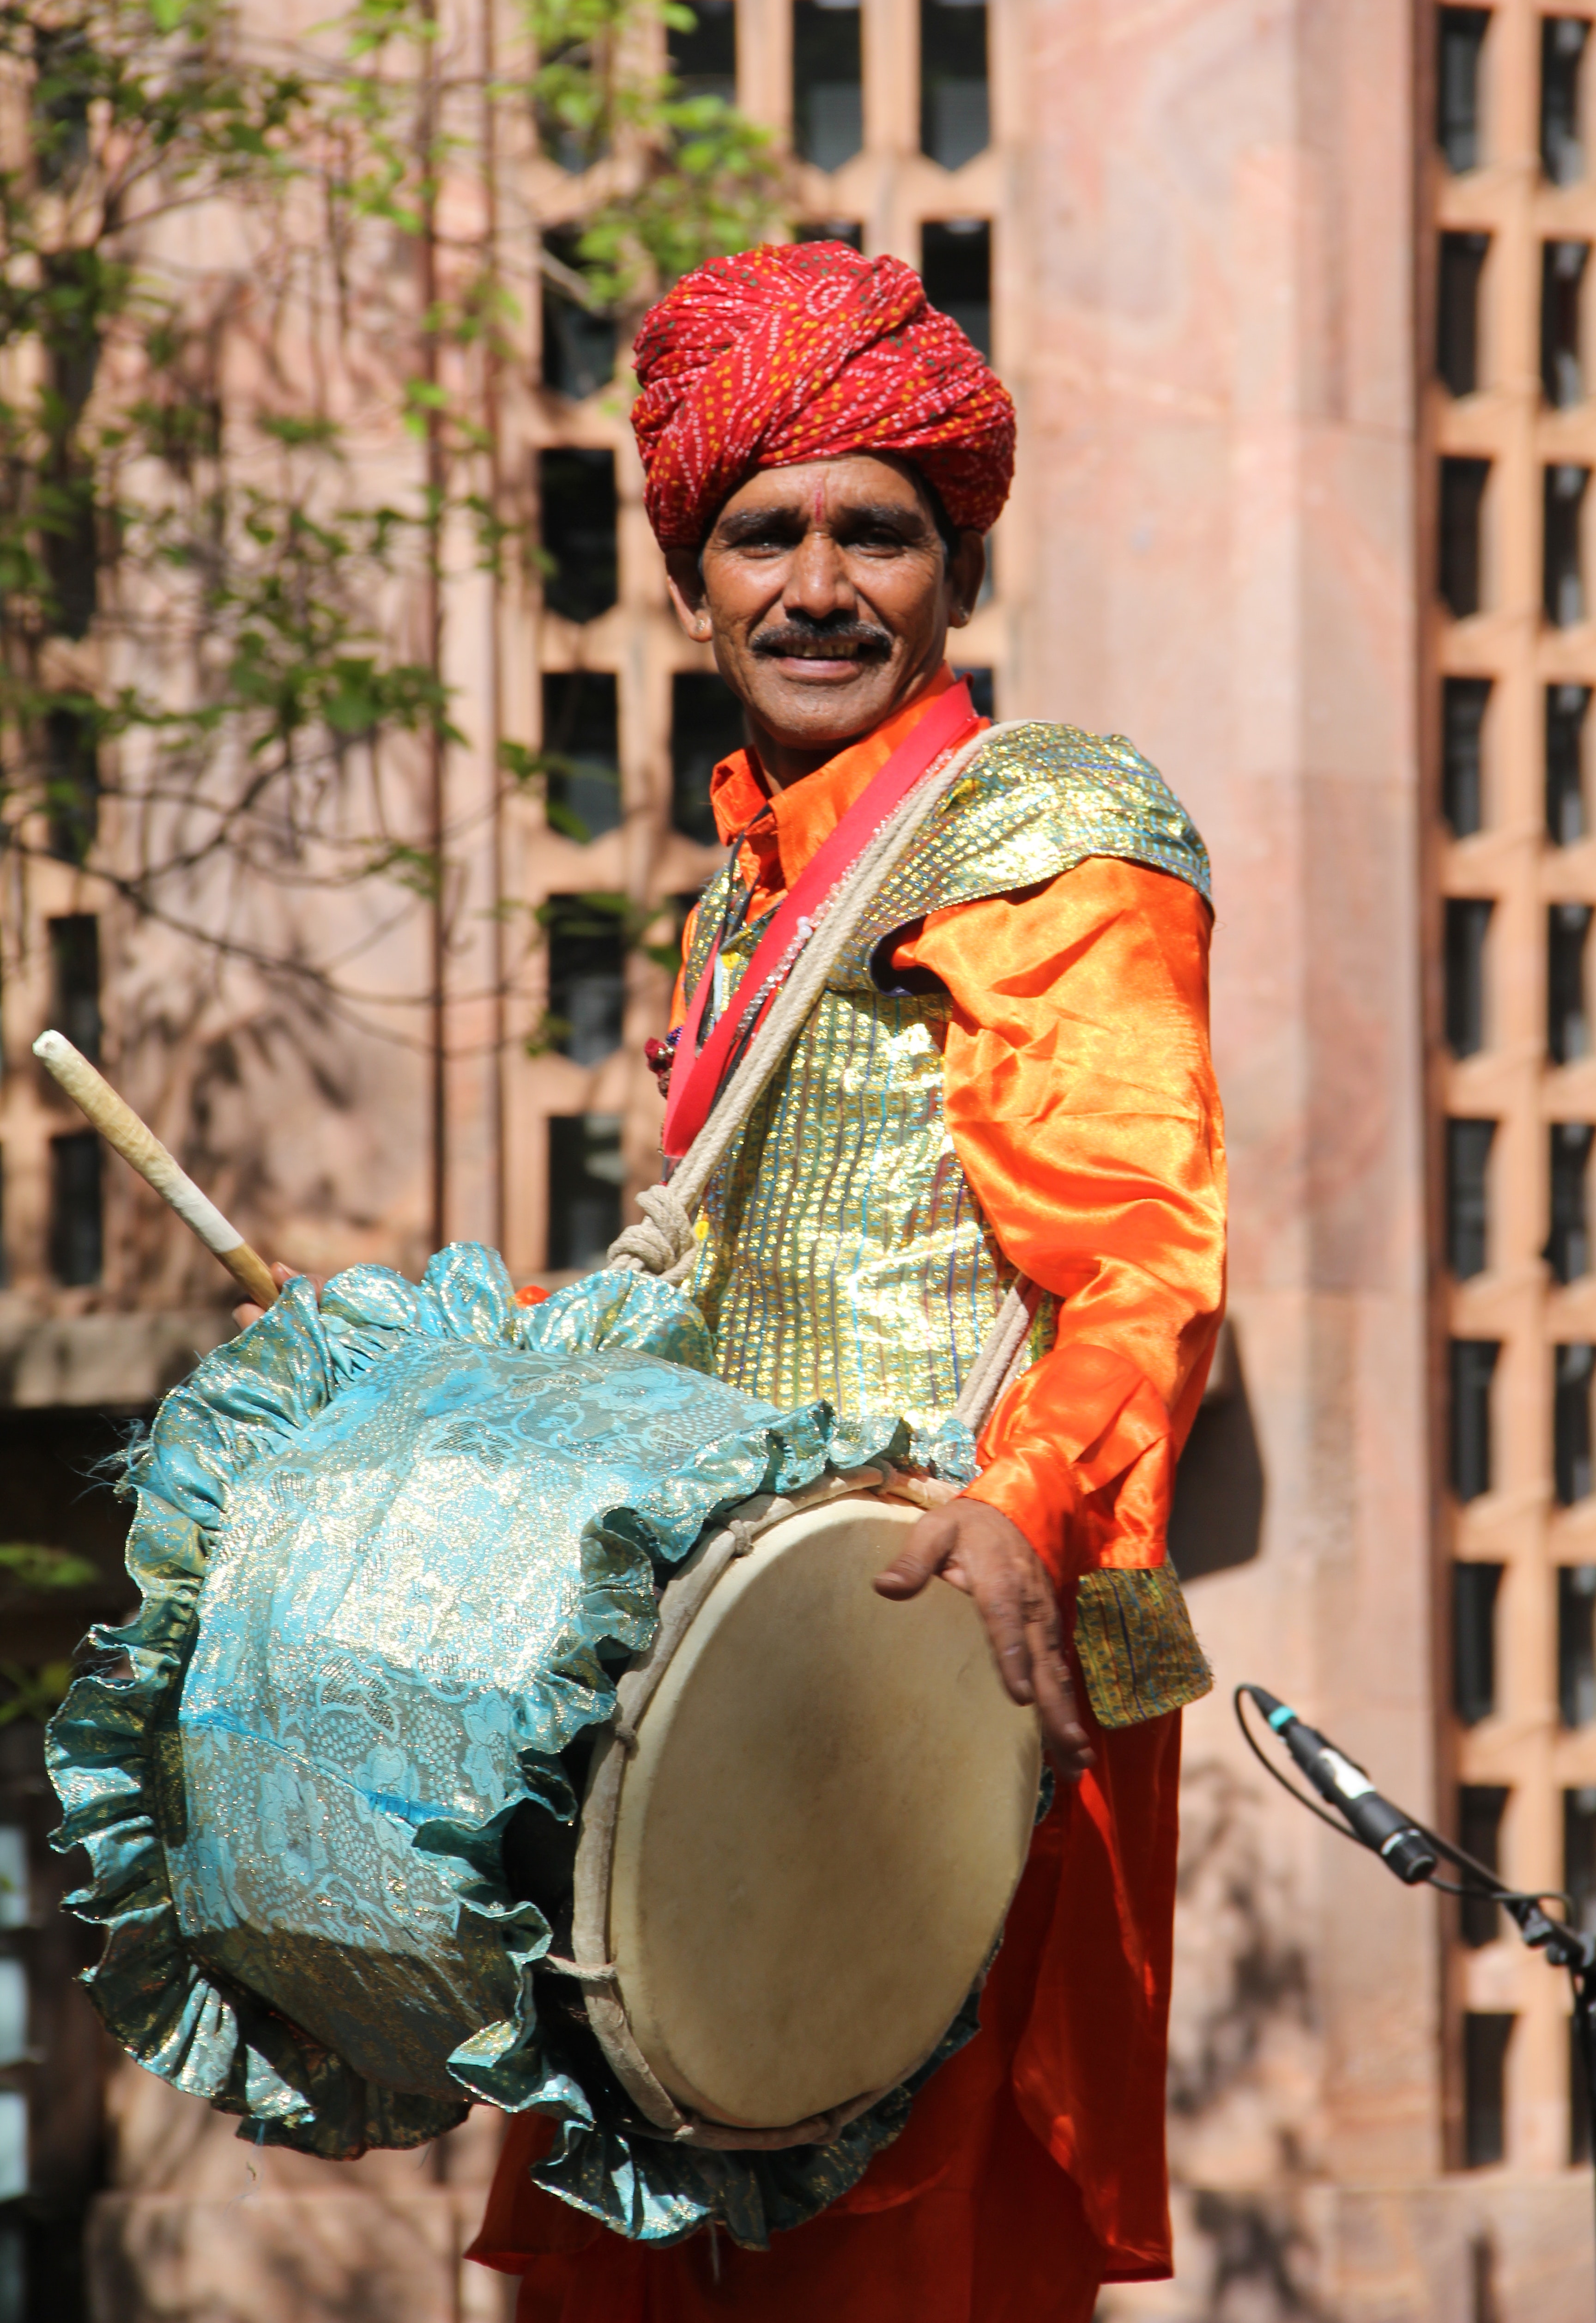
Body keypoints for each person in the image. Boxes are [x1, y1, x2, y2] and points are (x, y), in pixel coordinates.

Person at [459, 243, 1227, 2322]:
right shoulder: (750, 884)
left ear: (952, 566)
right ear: (693, 584)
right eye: (762, 532)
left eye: (874, 530)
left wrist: (1024, 1511)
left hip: (956, 1662)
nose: (818, 585)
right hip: (727, 1674)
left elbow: (1143, 1256)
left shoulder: (1046, 830)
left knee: (903, 2264)